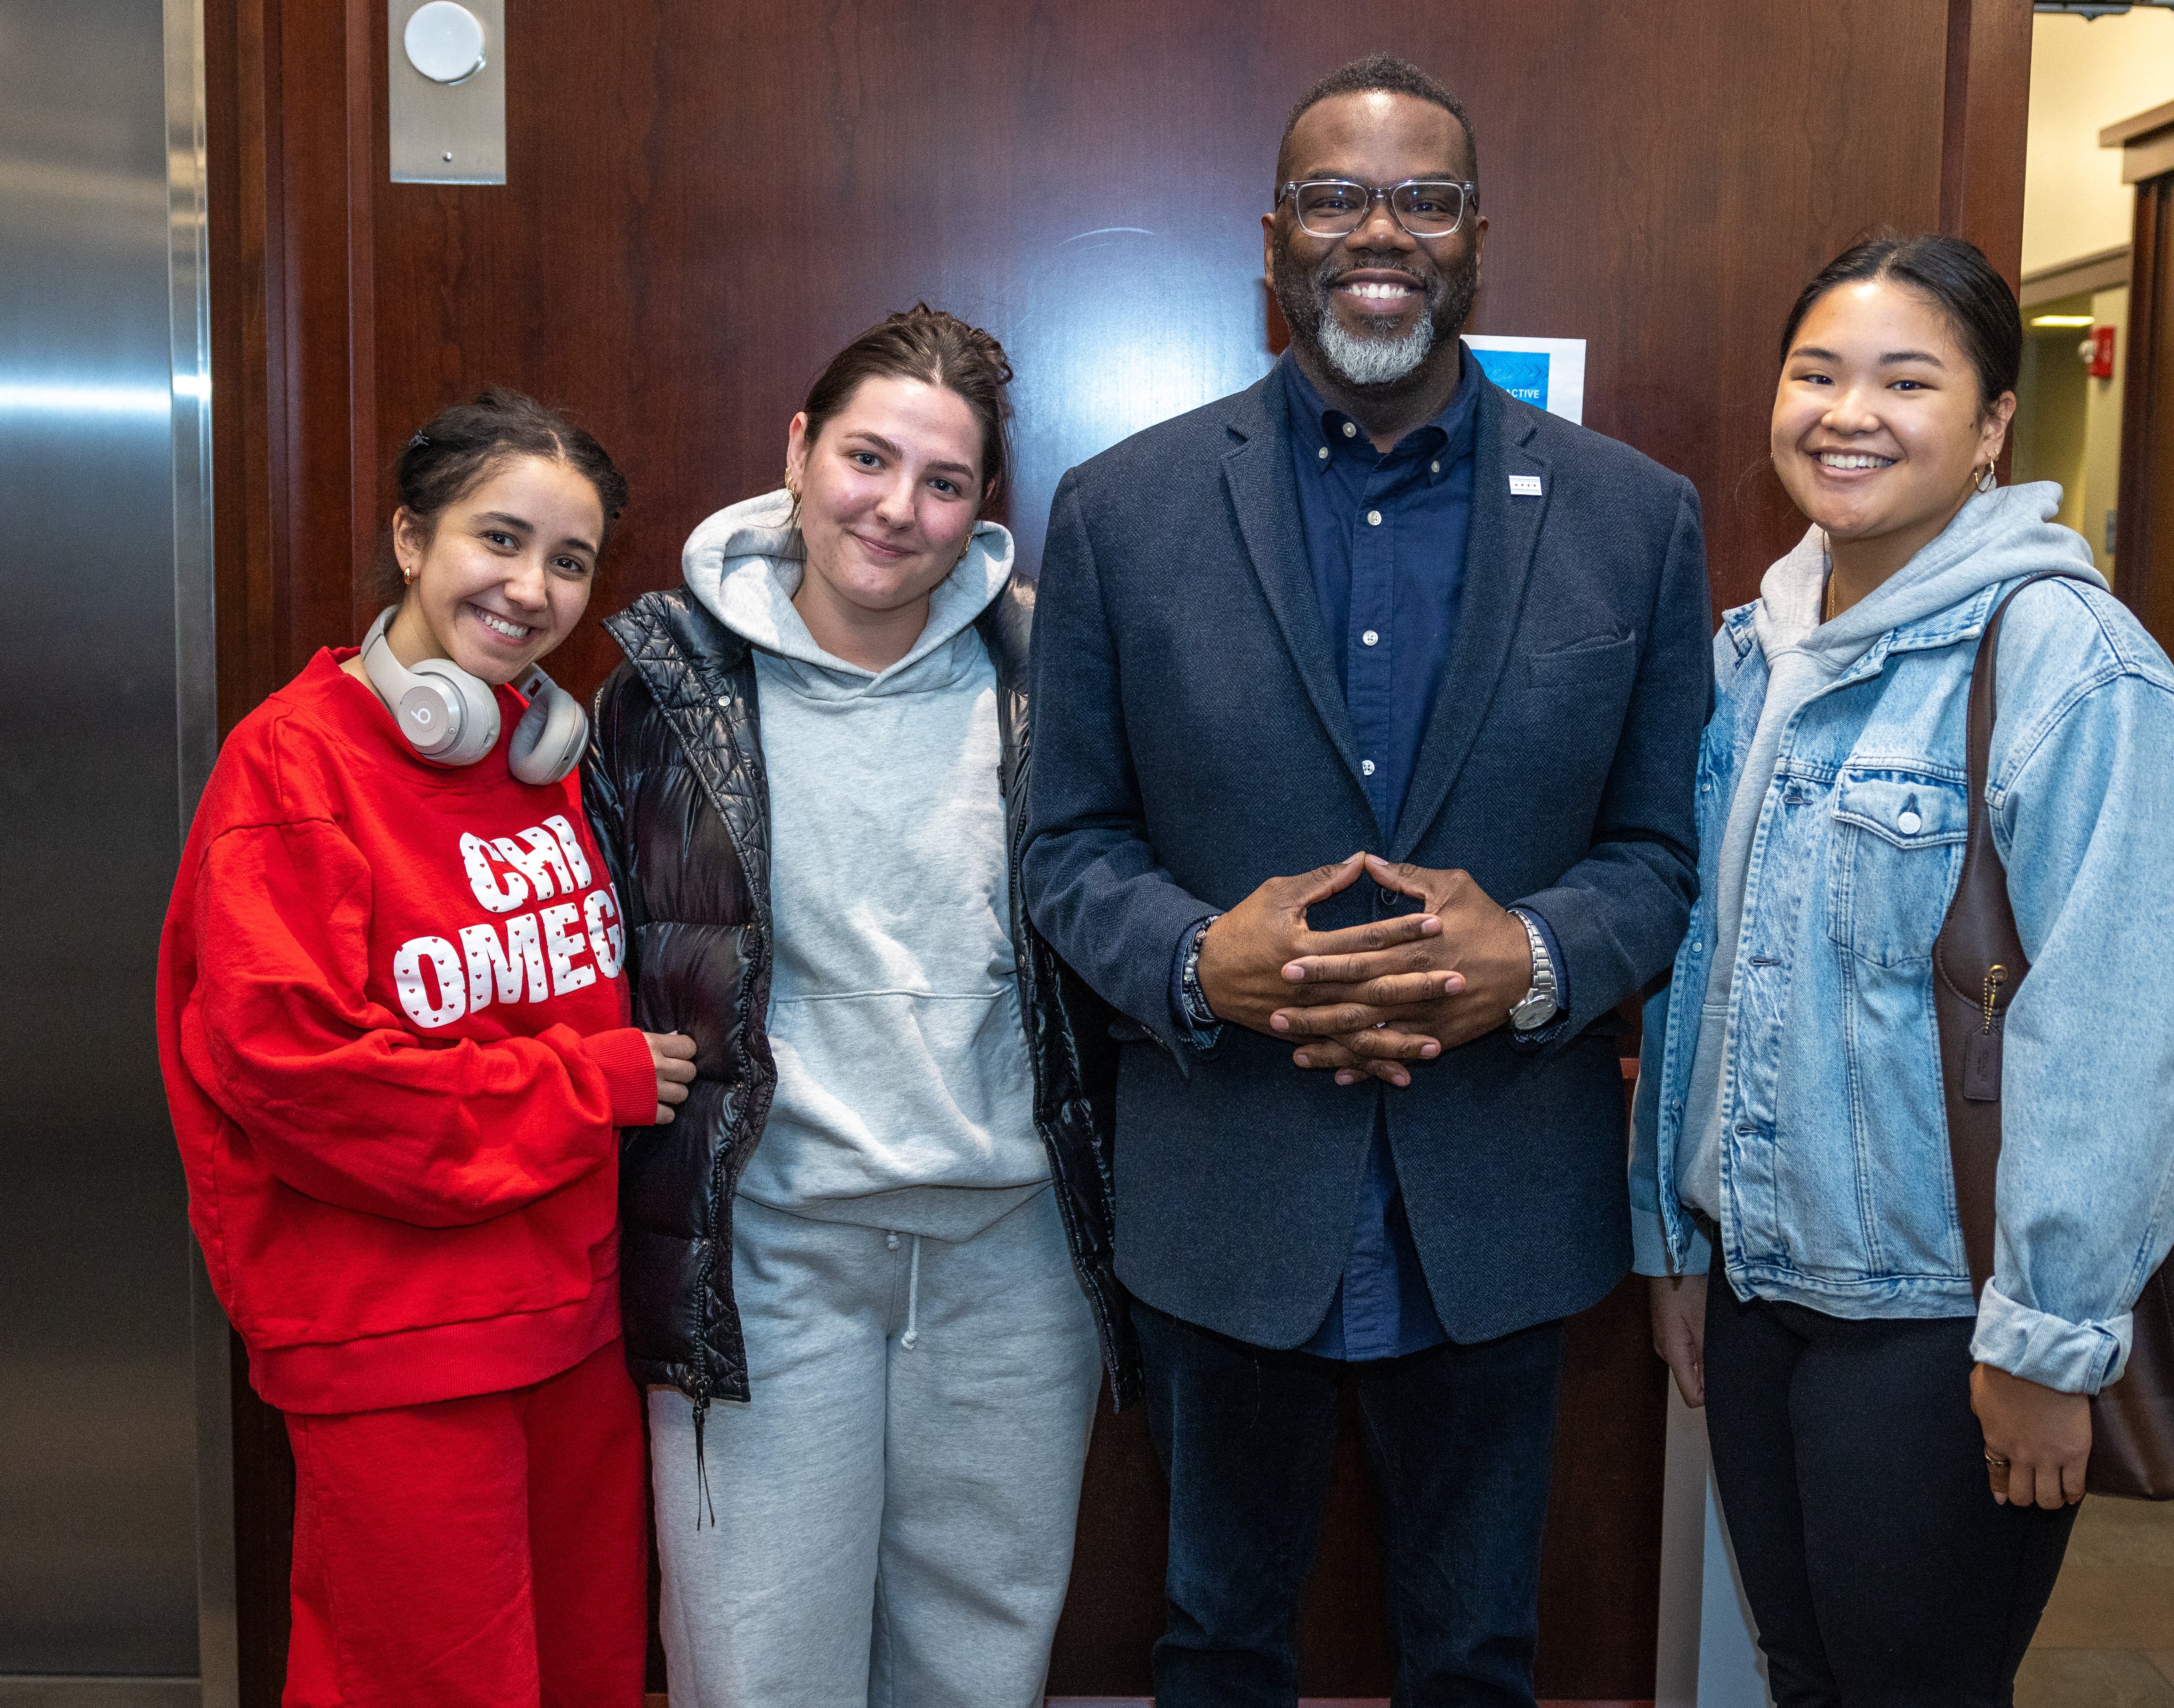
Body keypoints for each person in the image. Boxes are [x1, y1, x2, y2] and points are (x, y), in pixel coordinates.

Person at [1022, 54, 1709, 1705]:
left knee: (1478, 1650)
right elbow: (1064, 848)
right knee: (1214, 1640)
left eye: (1422, 197)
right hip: (1225, 1188)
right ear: (1275, 239)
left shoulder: (1634, 515)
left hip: (1500, 1197)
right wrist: (1199, 963)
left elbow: (1662, 858)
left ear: (1475, 238)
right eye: (1336, 196)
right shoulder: (1123, 510)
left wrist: (1535, 961)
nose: (1377, 231)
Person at [1635, 232, 2174, 1706]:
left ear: (1986, 431)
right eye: (1817, 374)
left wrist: (2045, 1340)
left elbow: (2131, 1025)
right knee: (1804, 1676)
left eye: (1907, 381)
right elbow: (1705, 972)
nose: (1849, 412)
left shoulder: (2064, 660)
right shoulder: (1752, 653)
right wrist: (1676, 1236)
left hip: (1939, 1313)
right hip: (1763, 1289)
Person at [583, 305, 1125, 1708]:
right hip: (766, 1261)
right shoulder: (662, 692)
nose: (896, 510)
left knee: (980, 1663)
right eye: (867, 460)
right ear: (798, 450)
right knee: (759, 1667)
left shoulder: (1055, 685)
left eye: (943, 483)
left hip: (1011, 1270)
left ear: (981, 509)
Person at [157, 390, 690, 1707]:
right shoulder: (289, 770)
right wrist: (594, 1084)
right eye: (496, 540)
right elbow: (298, 1078)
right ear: (410, 538)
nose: (530, 588)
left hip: (567, 1328)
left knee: (582, 1675)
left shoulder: (541, 761)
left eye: (569, 561)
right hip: (394, 1346)